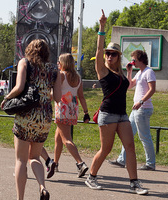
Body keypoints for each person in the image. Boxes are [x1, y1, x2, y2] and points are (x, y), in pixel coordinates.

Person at [85, 9, 148, 195]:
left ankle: (134, 182)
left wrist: (128, 72)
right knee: (106, 149)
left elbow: (127, 85)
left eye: (113, 54)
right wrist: (102, 27)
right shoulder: (102, 71)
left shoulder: (119, 73)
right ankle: (91, 176)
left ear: (118, 56)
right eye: (107, 54)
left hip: (122, 114)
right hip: (108, 114)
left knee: (130, 147)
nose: (109, 56)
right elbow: (98, 50)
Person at [0, 39, 62, 200]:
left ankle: (20, 198)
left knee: (21, 159)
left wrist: (6, 98)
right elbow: (58, 97)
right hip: (45, 118)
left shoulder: (24, 63)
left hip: (26, 115)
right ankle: (42, 187)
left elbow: (19, 87)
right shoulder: (54, 69)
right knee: (34, 157)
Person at [109, 50, 156, 171]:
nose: (132, 62)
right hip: (136, 109)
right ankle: (121, 160)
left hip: (143, 109)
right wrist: (129, 72)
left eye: (134, 59)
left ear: (140, 59)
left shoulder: (149, 72)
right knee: (128, 135)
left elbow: (152, 89)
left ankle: (150, 163)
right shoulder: (140, 73)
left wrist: (141, 102)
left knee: (144, 136)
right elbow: (129, 86)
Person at [47, 53, 90, 179]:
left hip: (62, 108)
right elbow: (81, 96)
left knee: (66, 139)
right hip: (72, 109)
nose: (57, 64)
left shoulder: (61, 75)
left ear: (63, 63)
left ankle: (80, 163)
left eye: (59, 62)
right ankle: (55, 163)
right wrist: (86, 112)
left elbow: (54, 93)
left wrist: (45, 98)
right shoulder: (78, 77)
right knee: (58, 137)